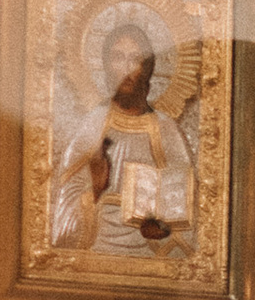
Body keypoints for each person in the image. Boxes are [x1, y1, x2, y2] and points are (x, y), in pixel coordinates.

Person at [52, 20, 192, 258]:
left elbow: (189, 210)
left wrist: (162, 225)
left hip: (151, 254)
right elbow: (61, 208)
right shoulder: (93, 125)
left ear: (146, 69)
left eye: (135, 59)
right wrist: (95, 189)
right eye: (118, 57)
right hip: (95, 251)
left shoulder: (166, 130)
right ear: (106, 65)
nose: (126, 68)